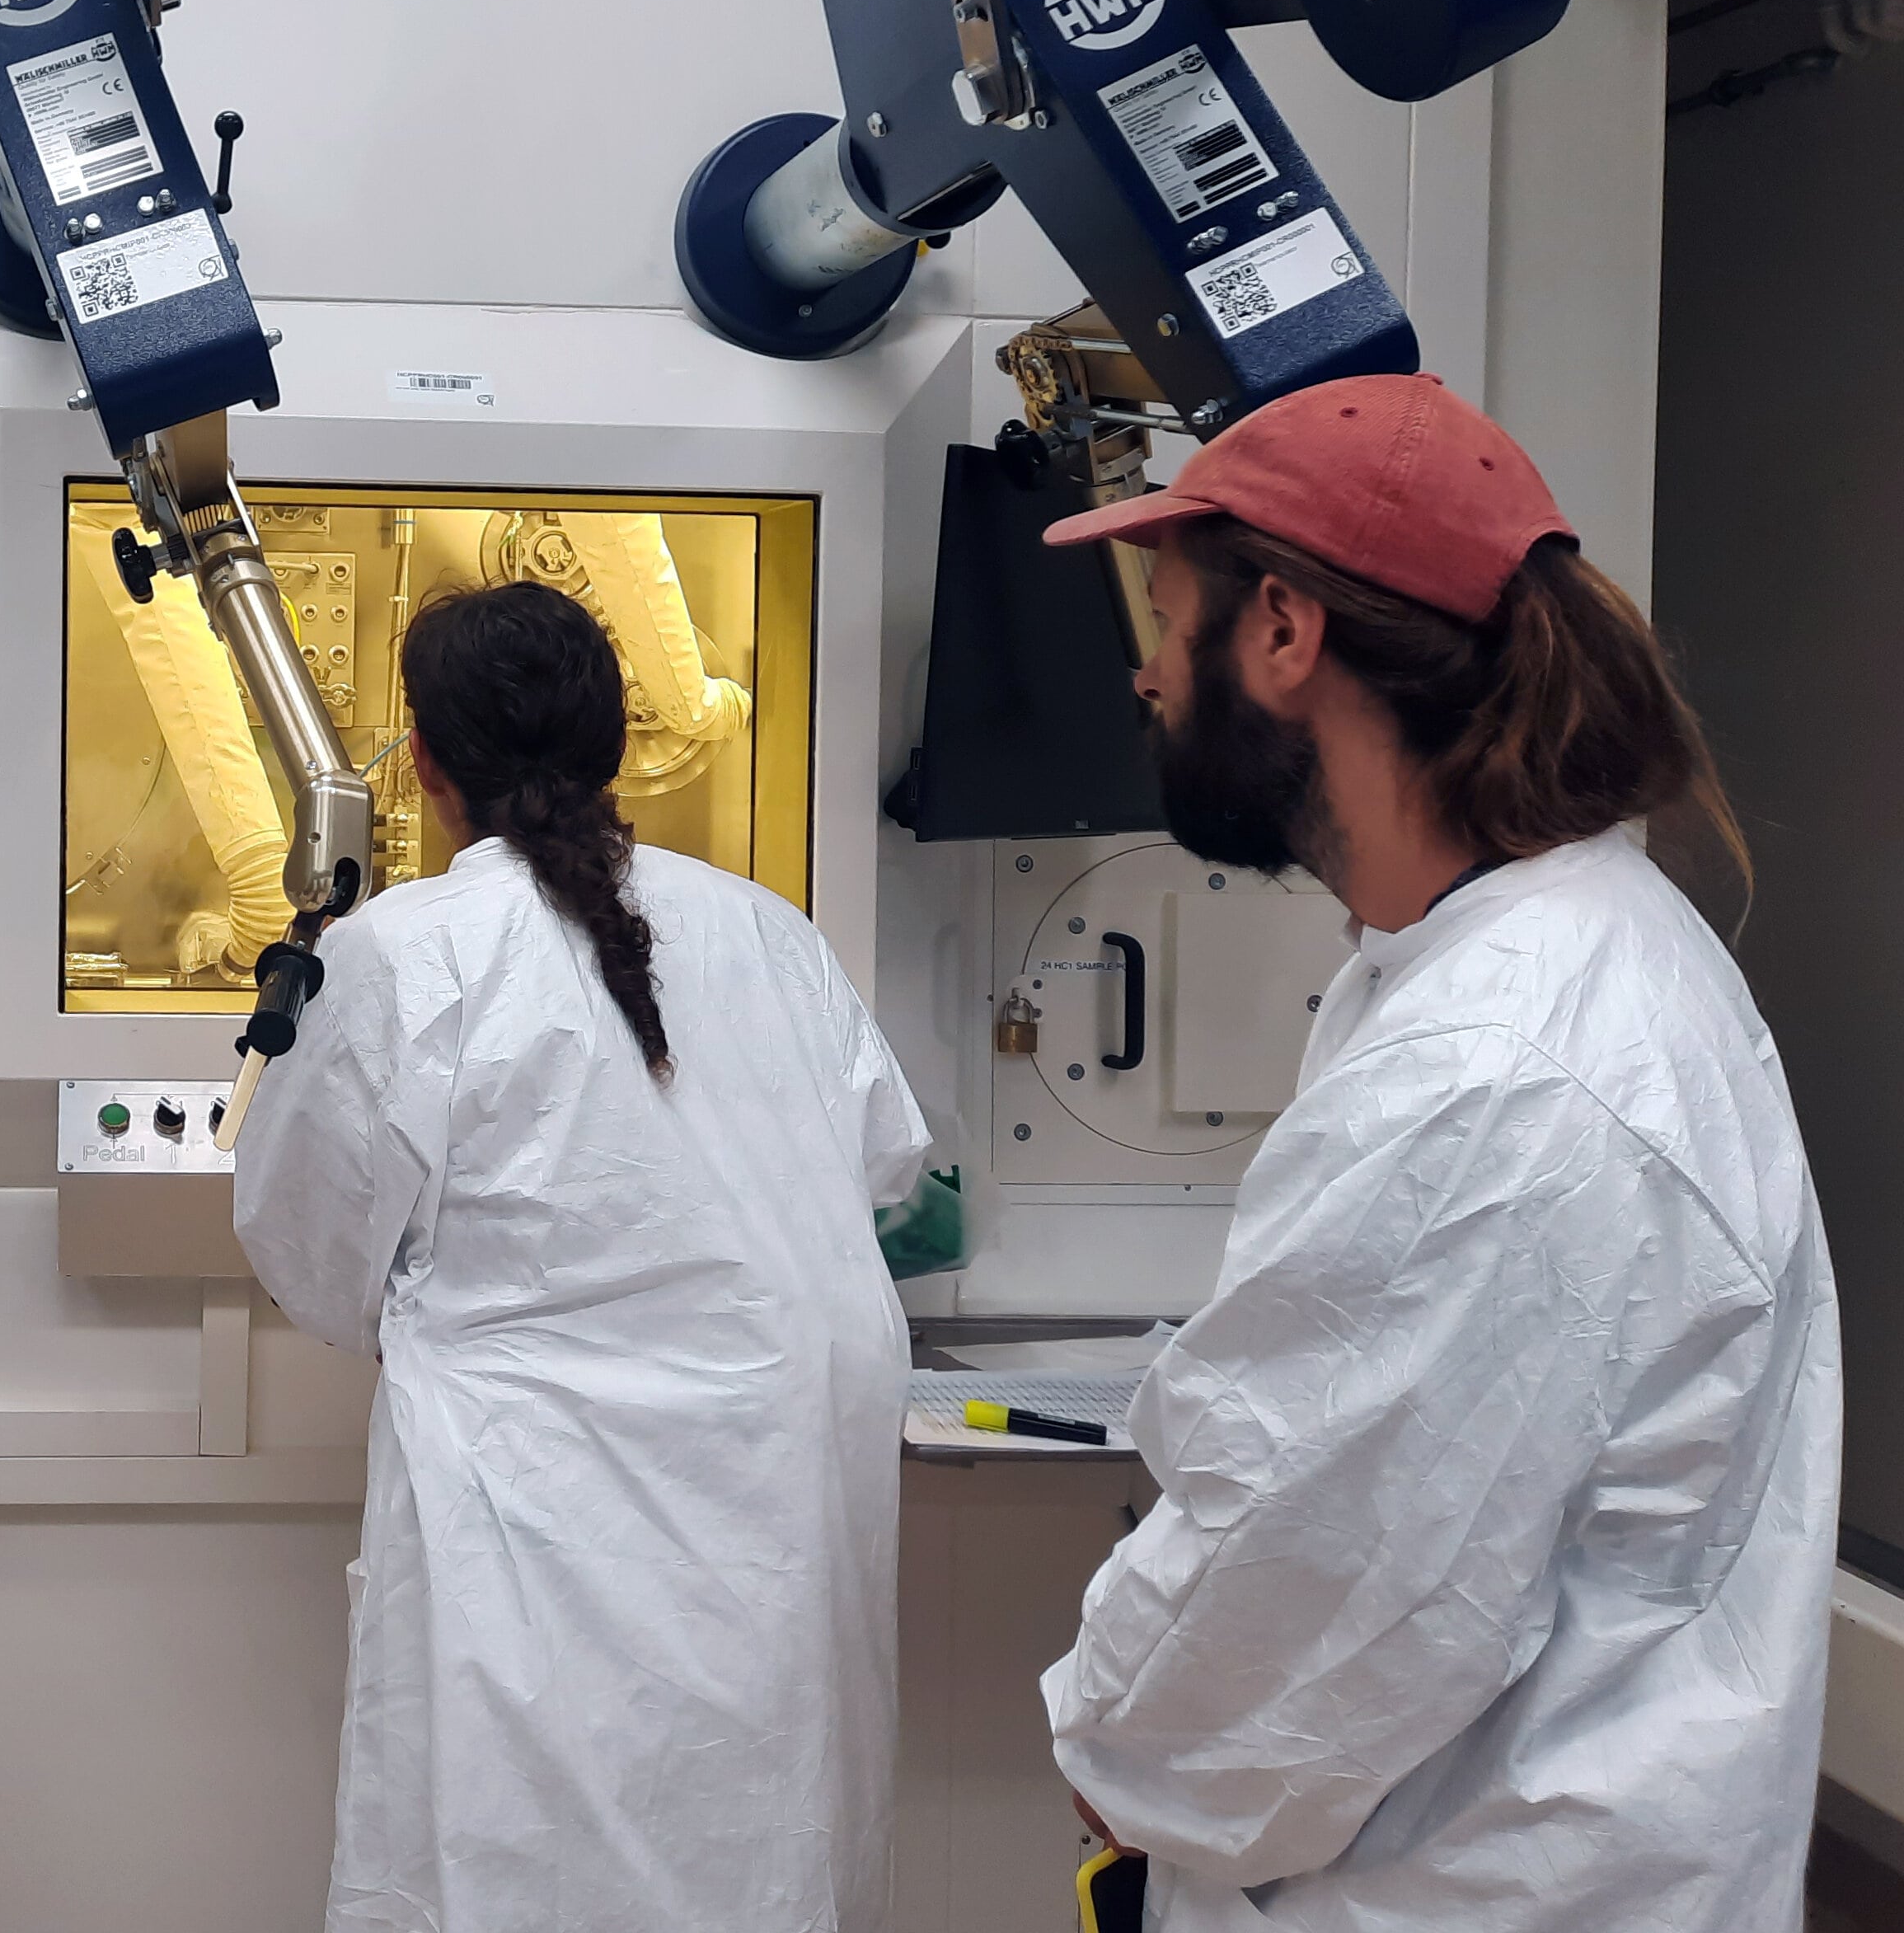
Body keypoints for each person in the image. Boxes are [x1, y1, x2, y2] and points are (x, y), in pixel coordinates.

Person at [1034, 374, 1840, 1931]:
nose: (1144, 676)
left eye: (1166, 617)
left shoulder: (1503, 1072)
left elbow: (1311, 1581)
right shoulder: (1532, 962)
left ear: (1283, 631)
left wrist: (1119, 1746)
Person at [234, 580, 932, 1933]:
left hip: (534, 1540)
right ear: (612, 740)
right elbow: (886, 1173)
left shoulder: (402, 953)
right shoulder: (770, 933)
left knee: (512, 1869)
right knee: (758, 1866)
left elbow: (309, 1246)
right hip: (769, 1534)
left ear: (425, 762)